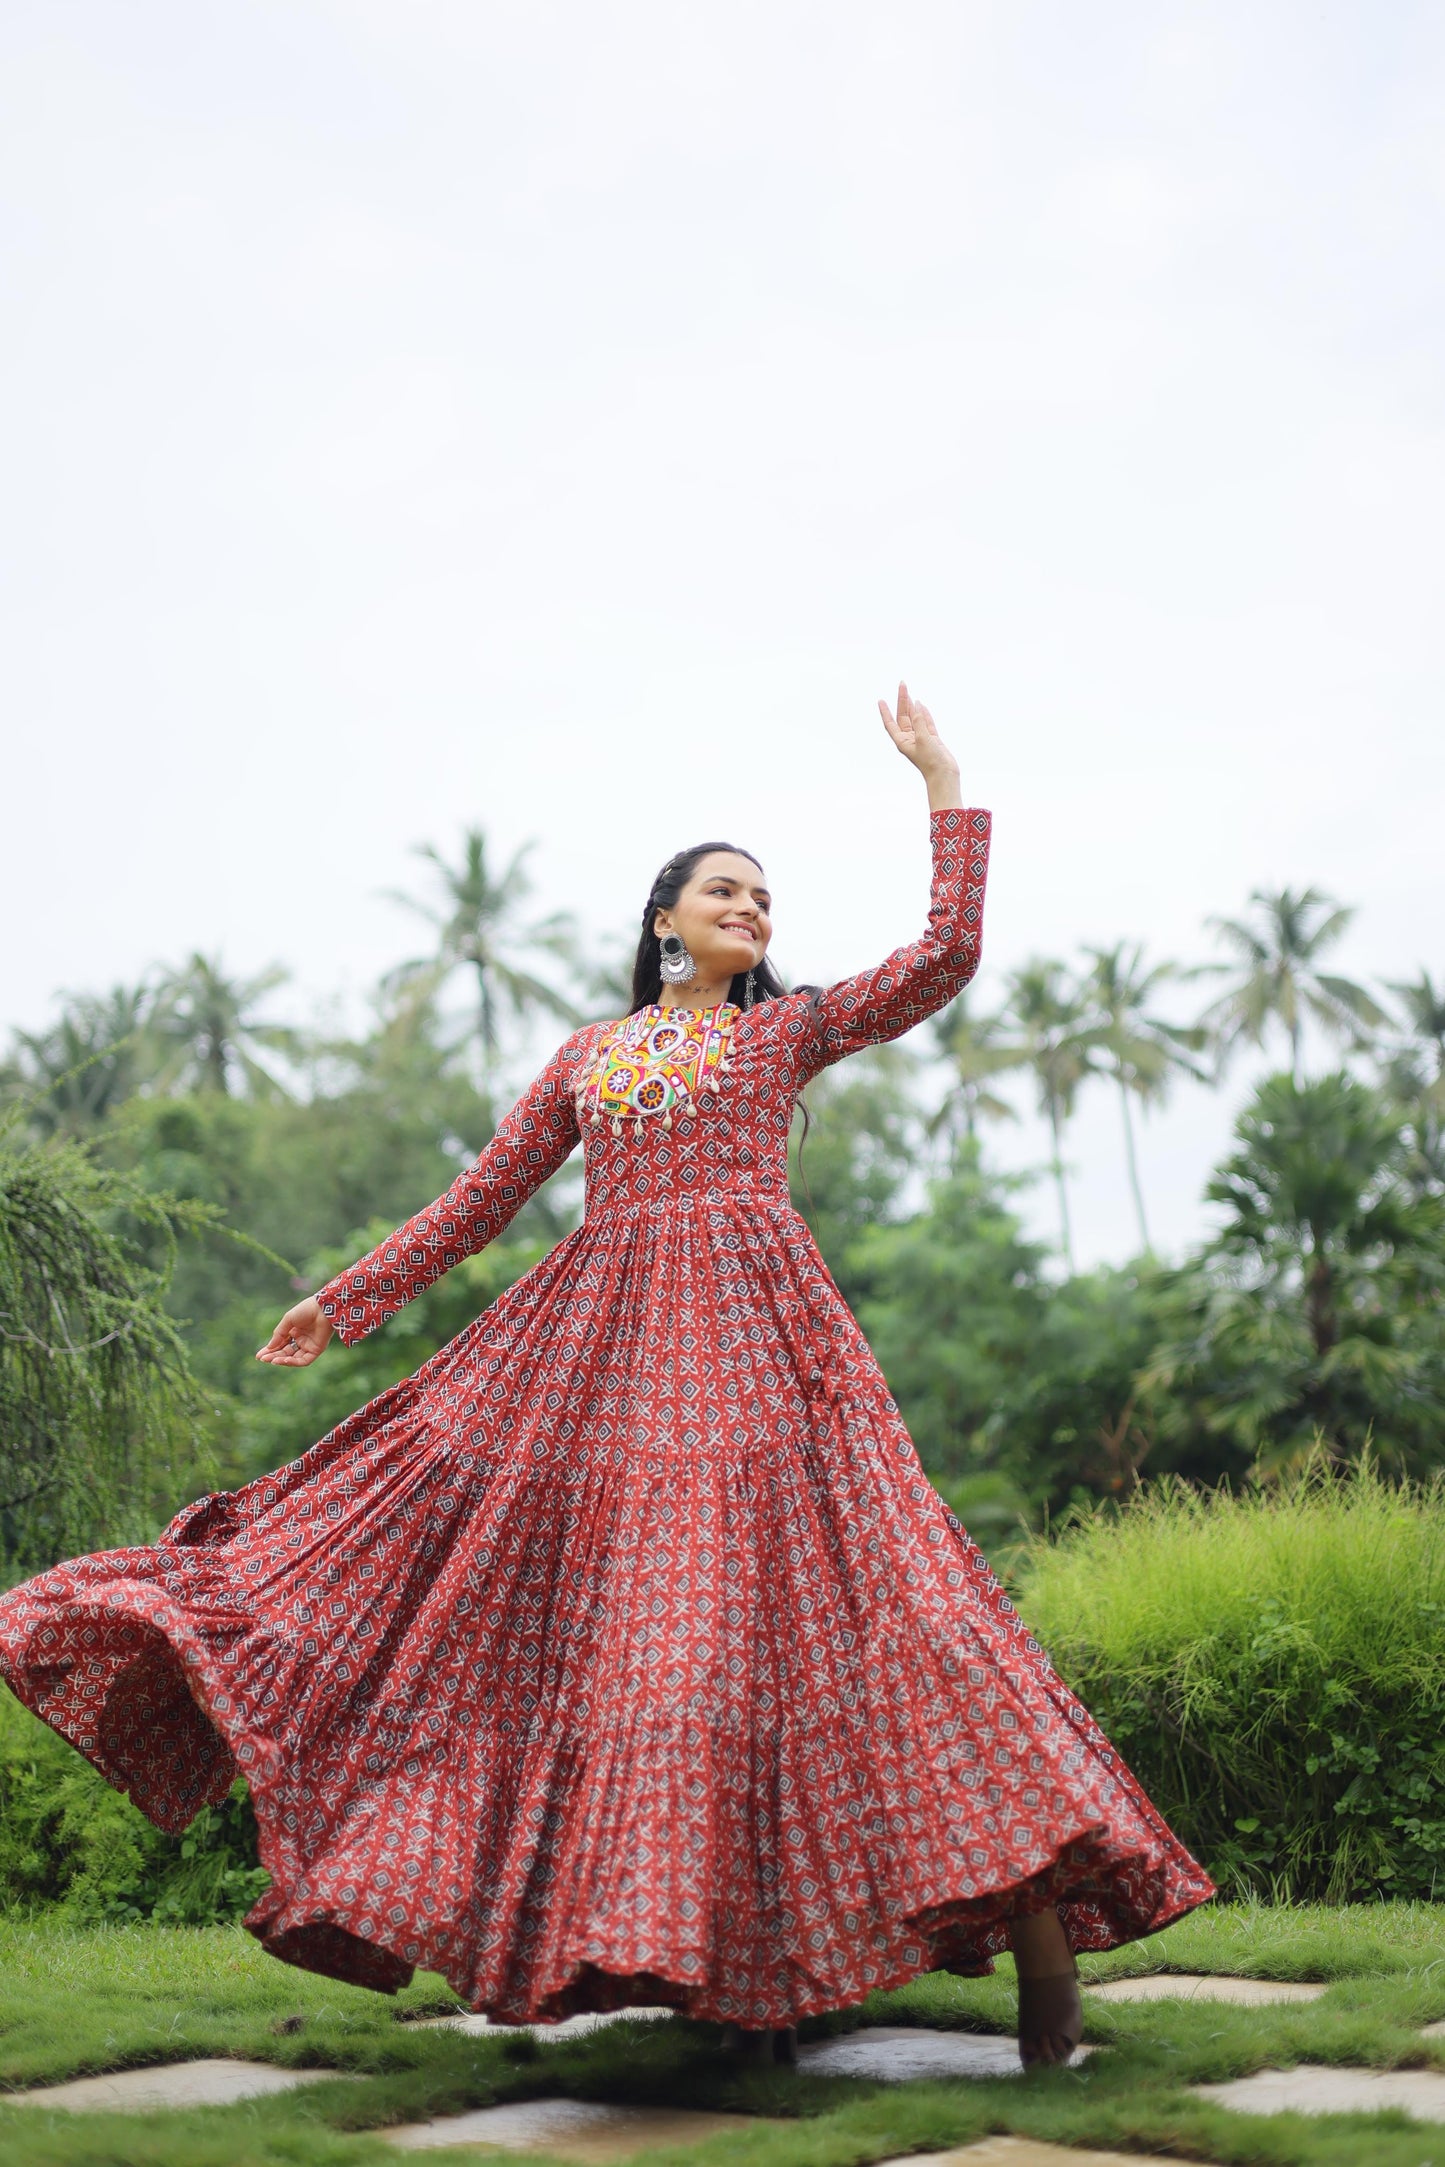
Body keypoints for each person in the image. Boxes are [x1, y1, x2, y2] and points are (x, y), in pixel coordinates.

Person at [0, 685, 1212, 2068]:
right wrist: (343, 1303)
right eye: (724, 890)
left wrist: (940, 781)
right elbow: (480, 1200)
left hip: (767, 1360)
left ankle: (1045, 1986)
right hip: (604, 1366)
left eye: (765, 896)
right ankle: (722, 1986)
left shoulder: (784, 1031)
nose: (752, 908)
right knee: (644, 1649)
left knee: (891, 1621)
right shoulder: (590, 1060)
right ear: (663, 921)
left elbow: (943, 955)